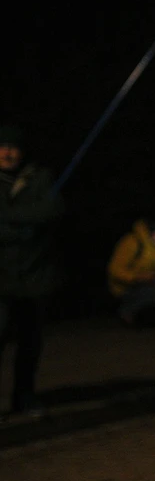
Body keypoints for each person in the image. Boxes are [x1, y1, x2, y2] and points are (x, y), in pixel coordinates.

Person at [0, 123, 64, 416]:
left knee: (30, 343)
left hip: (34, 277)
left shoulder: (40, 177)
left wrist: (10, 219)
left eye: (13, 148)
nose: (7, 153)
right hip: (2, 279)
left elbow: (51, 212)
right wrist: (25, 226)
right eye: (3, 147)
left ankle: (24, 397)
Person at [107, 218, 155, 324]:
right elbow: (114, 270)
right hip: (122, 286)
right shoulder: (133, 242)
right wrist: (139, 278)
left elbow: (154, 265)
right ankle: (125, 312)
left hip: (143, 282)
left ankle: (148, 318)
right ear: (152, 232)